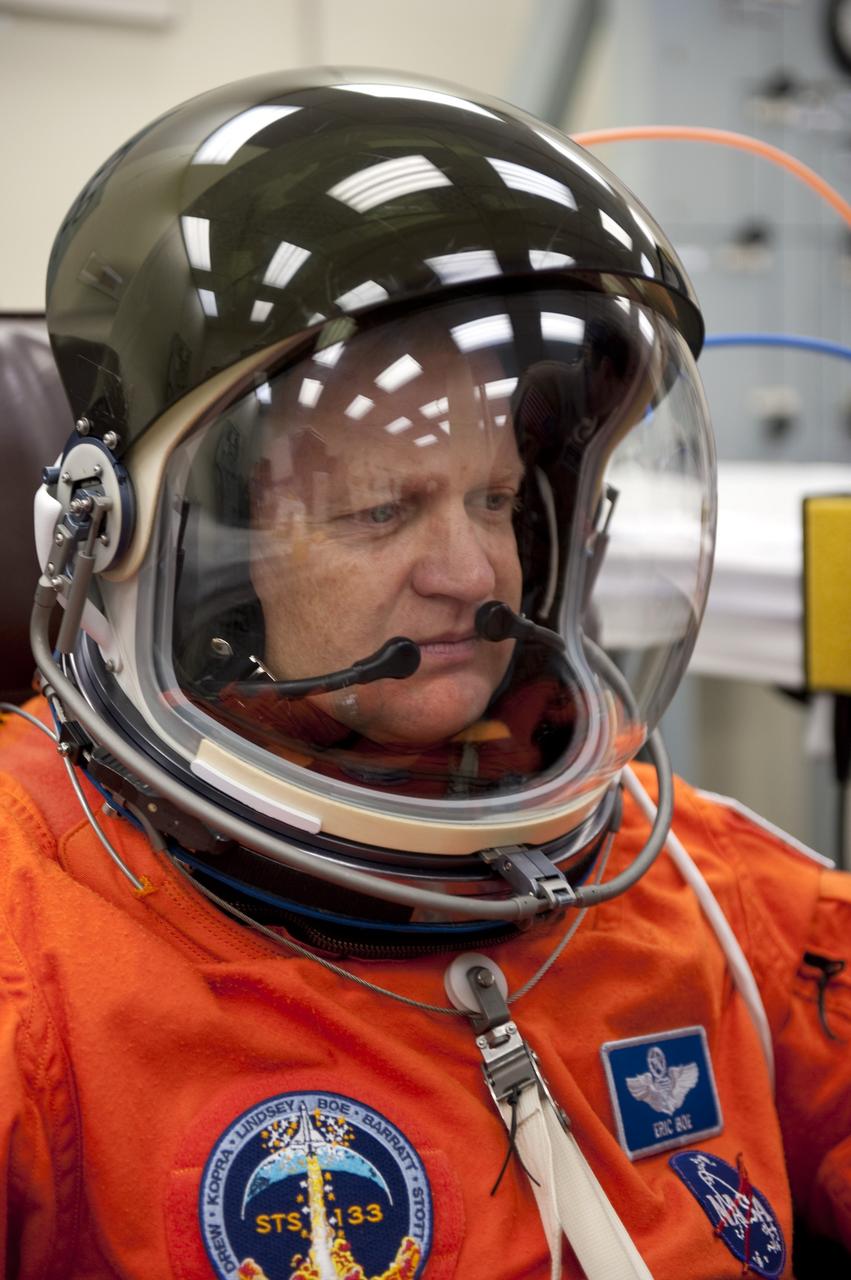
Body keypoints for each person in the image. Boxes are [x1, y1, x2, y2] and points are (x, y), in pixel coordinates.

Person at [0, 69, 848, 1280]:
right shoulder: (36, 941)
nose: (470, 570)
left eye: (496, 498)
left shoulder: (697, 891)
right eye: (381, 508)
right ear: (188, 549)